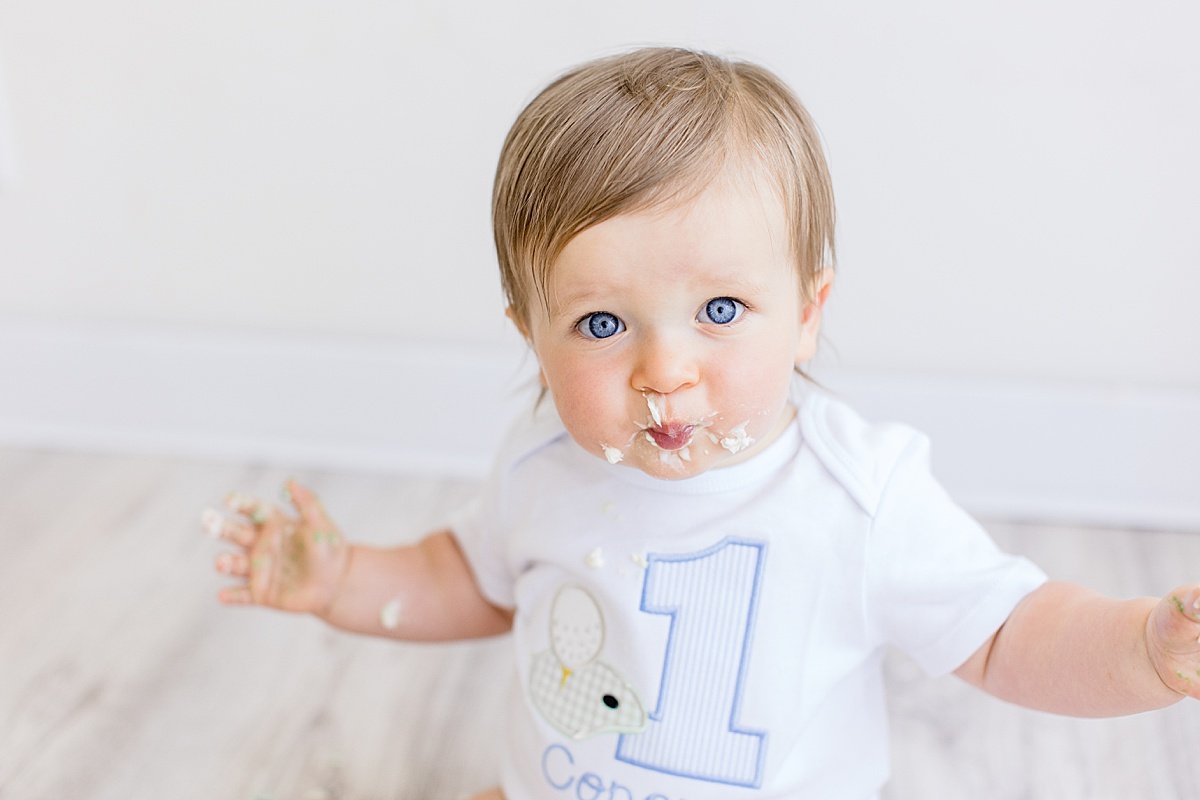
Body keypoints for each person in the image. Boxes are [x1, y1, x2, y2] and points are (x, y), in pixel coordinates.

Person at [202, 47, 1199, 800]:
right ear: (531, 336)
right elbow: (465, 577)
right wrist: (342, 580)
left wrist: (1144, 646)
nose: (663, 370)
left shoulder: (858, 494)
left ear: (808, 311)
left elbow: (1010, 632)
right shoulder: (544, 463)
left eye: (721, 311)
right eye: (601, 322)